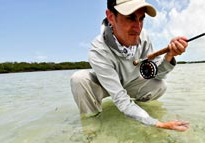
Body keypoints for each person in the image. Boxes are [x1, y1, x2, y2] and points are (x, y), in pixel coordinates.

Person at [70, 0, 189, 131]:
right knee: (79, 79)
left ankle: (137, 108)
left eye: (141, 19)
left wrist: (169, 56)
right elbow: (120, 99)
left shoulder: (143, 38)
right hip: (105, 85)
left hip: (131, 83)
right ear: (111, 17)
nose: (138, 28)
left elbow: (157, 73)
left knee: (160, 86)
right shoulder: (98, 50)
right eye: (130, 18)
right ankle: (92, 123)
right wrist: (157, 124)